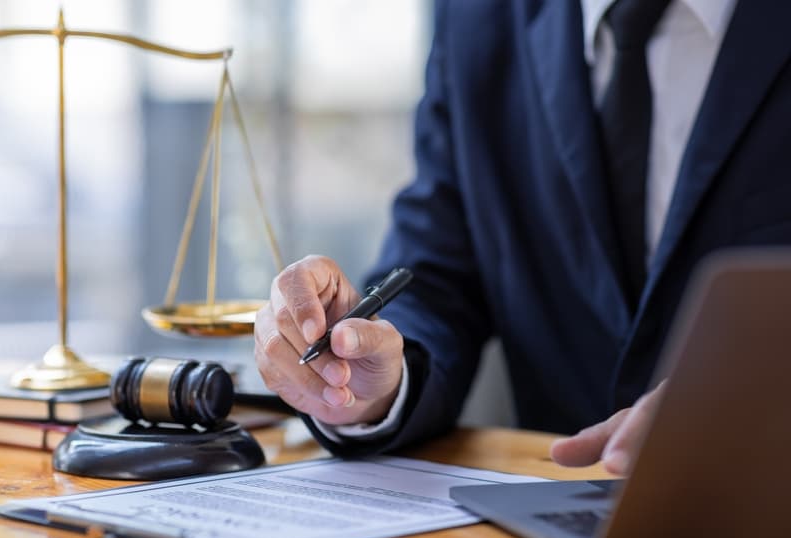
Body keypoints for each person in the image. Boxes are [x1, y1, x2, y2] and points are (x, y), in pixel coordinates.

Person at [254, 0, 791, 473]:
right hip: (551, 533)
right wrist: (374, 383)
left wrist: (757, 405)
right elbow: (437, 276)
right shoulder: (479, 17)